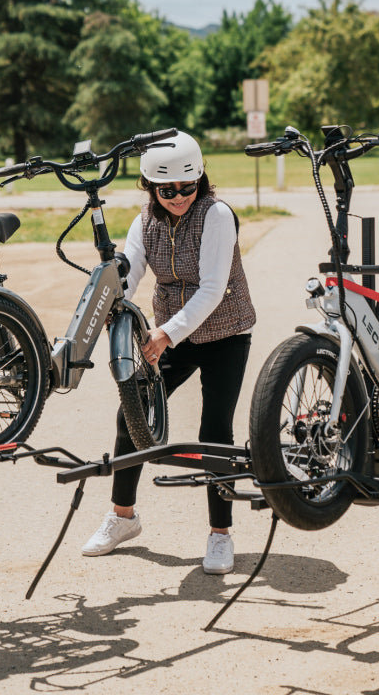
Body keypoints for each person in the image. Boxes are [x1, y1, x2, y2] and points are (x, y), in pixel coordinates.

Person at [82, 131, 256, 574]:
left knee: (214, 430)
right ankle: (123, 518)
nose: (178, 196)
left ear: (200, 179)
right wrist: (110, 302)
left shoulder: (216, 216)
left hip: (225, 333)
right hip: (169, 333)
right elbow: (133, 272)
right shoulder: (144, 223)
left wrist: (166, 334)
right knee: (132, 413)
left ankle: (220, 535)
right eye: (167, 190)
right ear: (150, 188)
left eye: (187, 186)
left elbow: (214, 289)